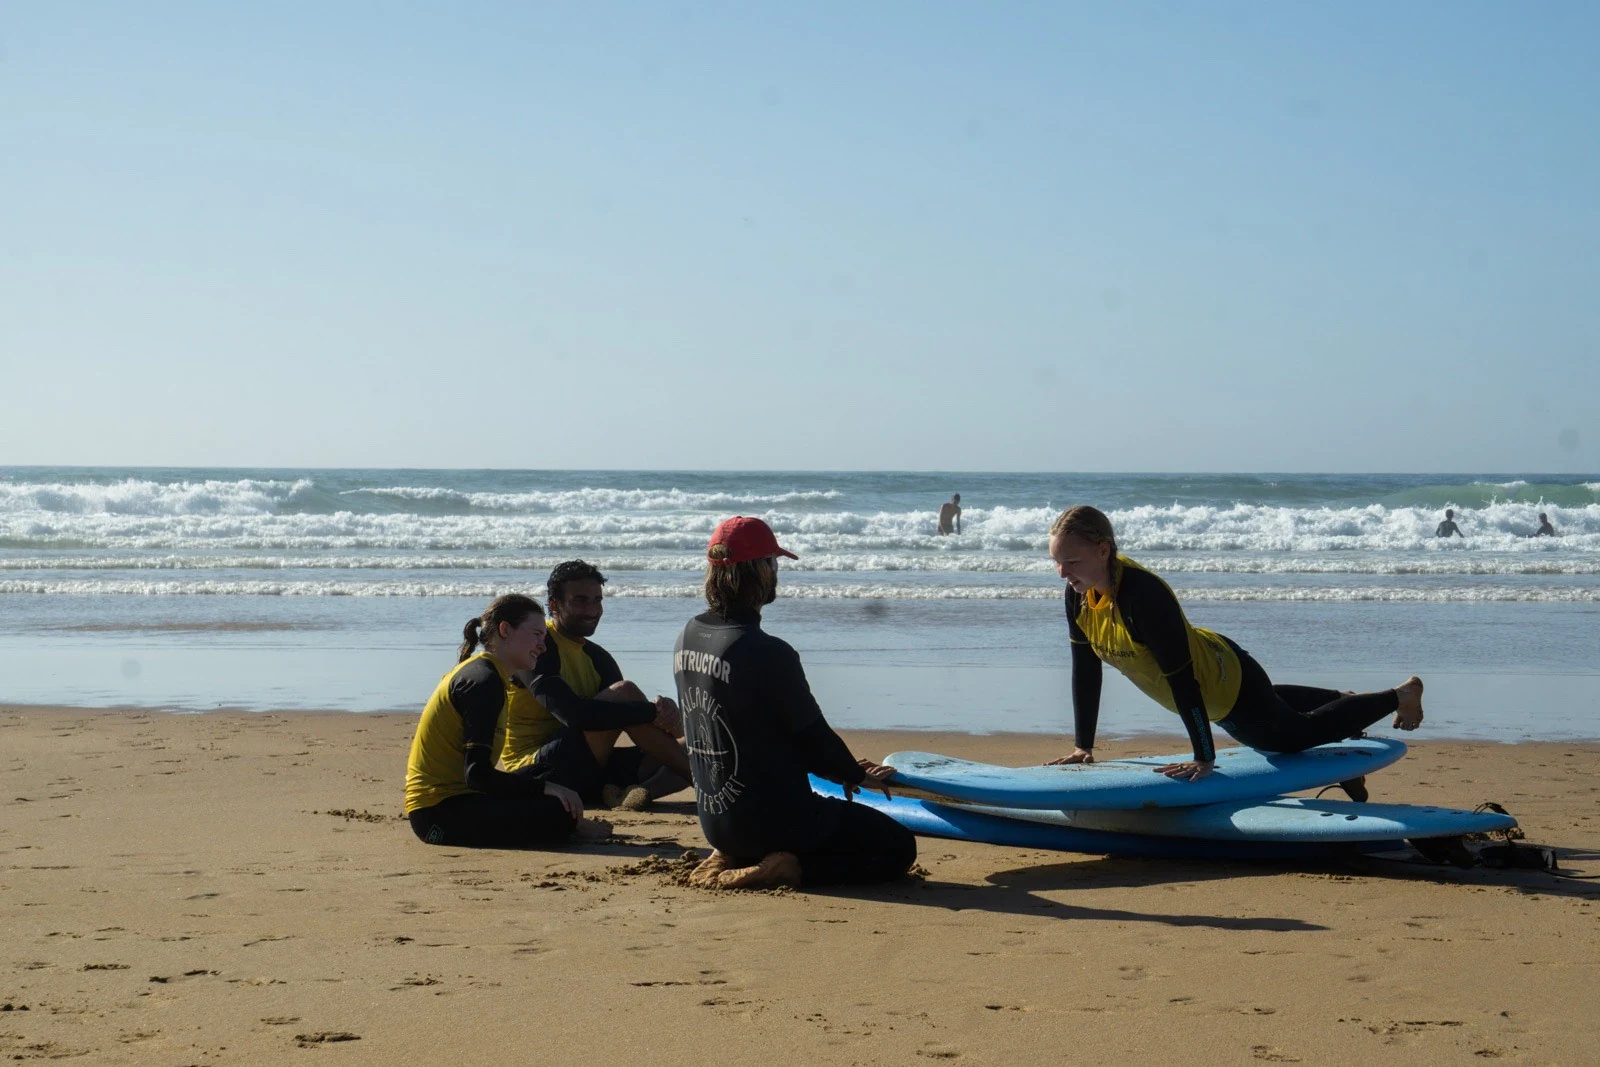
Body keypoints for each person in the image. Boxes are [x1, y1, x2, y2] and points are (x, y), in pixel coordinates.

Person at [1046, 506, 1424, 789]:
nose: (1063, 573)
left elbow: (1183, 680)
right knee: (1268, 707)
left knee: (1284, 740)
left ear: (1103, 550)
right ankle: (1341, 701)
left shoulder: (1143, 596)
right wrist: (1084, 746)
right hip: (1220, 679)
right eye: (1057, 562)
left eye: (1072, 561)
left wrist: (1204, 757)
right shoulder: (1078, 595)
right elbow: (1086, 668)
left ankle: (1399, 695)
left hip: (1222, 682)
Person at [673, 515, 916, 889]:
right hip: (778, 821)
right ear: (759, 570)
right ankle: (787, 869)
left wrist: (841, 768)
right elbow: (810, 735)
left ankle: (734, 853)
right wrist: (854, 775)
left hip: (716, 822)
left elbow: (754, 731)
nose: (776, 572)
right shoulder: (767, 652)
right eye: (773, 562)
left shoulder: (687, 636)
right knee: (897, 847)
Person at [405, 594, 609, 848]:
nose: (542, 646)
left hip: (467, 797)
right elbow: (477, 775)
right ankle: (571, 826)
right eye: (536, 634)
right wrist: (545, 789)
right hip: (437, 815)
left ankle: (568, 821)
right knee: (555, 809)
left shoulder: (491, 675)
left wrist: (545, 784)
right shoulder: (483, 682)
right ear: (505, 630)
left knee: (546, 772)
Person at [501, 561, 692, 812]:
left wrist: (666, 715)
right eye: (580, 600)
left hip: (592, 775)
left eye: (597, 600)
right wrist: (649, 711)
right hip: (538, 773)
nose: (592, 610)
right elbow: (573, 714)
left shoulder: (598, 658)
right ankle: (705, 783)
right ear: (554, 604)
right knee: (624, 692)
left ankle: (636, 795)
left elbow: (629, 722)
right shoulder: (537, 647)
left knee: (698, 748)